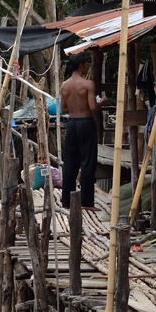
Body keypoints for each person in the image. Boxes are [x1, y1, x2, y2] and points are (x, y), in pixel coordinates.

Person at [60, 52, 103, 210]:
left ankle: (66, 202)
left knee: (70, 162)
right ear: (81, 65)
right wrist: (102, 102)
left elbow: (64, 108)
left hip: (72, 124)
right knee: (87, 163)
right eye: (86, 64)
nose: (88, 67)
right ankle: (86, 202)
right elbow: (93, 107)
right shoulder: (88, 84)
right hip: (85, 122)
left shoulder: (65, 85)